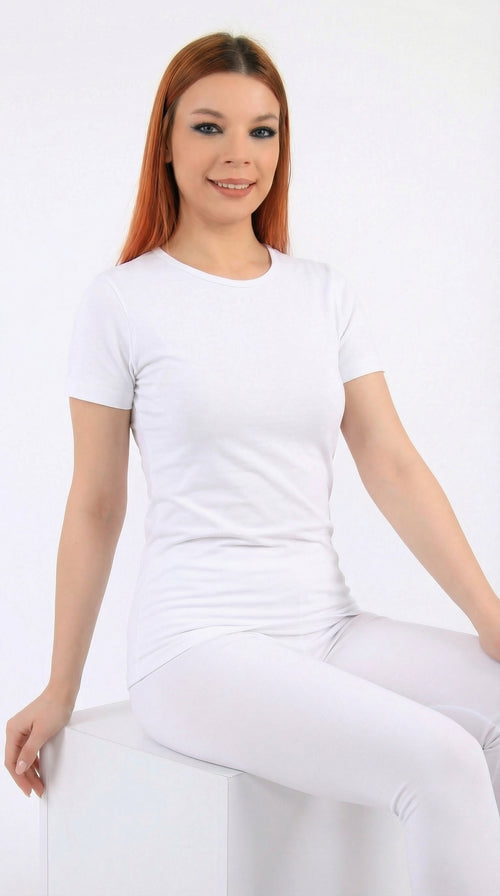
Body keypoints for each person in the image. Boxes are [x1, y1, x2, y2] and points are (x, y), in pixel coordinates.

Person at [5, 31, 500, 895]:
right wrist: (60, 685)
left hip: (329, 629)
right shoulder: (122, 302)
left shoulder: (322, 294)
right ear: (165, 141)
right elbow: (95, 505)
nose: (239, 154)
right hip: (196, 647)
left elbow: (391, 461)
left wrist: (490, 617)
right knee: (445, 761)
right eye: (209, 127)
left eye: (262, 131)